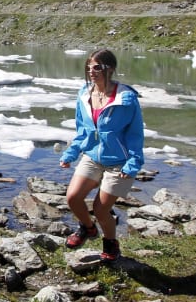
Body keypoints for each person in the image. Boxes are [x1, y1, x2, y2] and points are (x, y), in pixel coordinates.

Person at [59, 48, 144, 262]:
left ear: (110, 69)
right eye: (89, 67)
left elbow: (135, 134)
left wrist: (133, 163)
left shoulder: (126, 98)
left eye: (96, 67)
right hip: (93, 157)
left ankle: (111, 244)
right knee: (73, 197)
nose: (91, 71)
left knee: (100, 208)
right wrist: (71, 153)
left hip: (119, 162)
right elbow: (83, 130)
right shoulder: (84, 95)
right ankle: (87, 228)